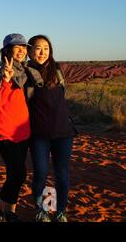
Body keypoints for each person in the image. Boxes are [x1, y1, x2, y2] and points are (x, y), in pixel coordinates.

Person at [25, 34, 126, 222]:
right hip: (39, 135)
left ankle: (60, 211)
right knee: (40, 173)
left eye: (46, 48)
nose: (42, 52)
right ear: (30, 51)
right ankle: (43, 210)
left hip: (63, 133)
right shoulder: (24, 73)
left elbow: (93, 71)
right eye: (38, 48)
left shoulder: (60, 70)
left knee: (61, 174)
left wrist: (121, 68)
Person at [0, 33, 33, 222]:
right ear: (7, 50)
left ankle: (8, 211)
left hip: (23, 131)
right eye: (16, 47)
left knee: (15, 174)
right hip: (5, 131)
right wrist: (5, 79)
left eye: (24, 47)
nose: (21, 50)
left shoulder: (26, 71)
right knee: (19, 174)